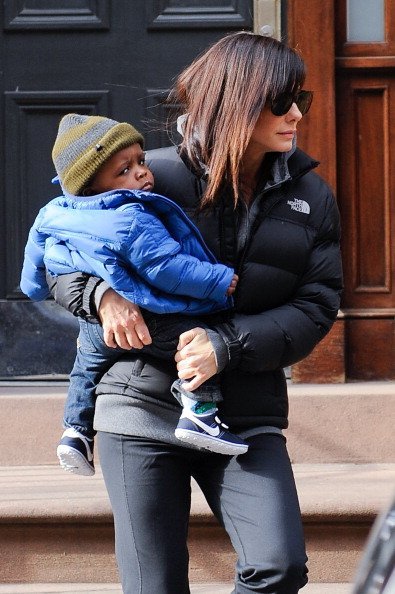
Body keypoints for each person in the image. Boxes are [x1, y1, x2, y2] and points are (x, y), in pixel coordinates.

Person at [46, 31, 343, 593]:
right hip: (139, 404)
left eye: (301, 98)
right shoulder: (146, 177)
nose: (298, 113)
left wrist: (225, 345)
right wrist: (100, 298)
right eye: (281, 101)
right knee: (153, 584)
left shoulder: (313, 198)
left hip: (245, 411)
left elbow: (316, 306)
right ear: (237, 100)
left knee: (277, 566)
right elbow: (62, 251)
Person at [20, 113, 248, 476]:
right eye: (123, 170)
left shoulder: (52, 213)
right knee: (195, 341)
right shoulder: (131, 218)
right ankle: (199, 412)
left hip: (94, 327)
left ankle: (75, 432)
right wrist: (217, 280)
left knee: (84, 369)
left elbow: (34, 268)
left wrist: (34, 289)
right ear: (91, 186)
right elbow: (167, 267)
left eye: (140, 161)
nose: (141, 172)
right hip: (147, 319)